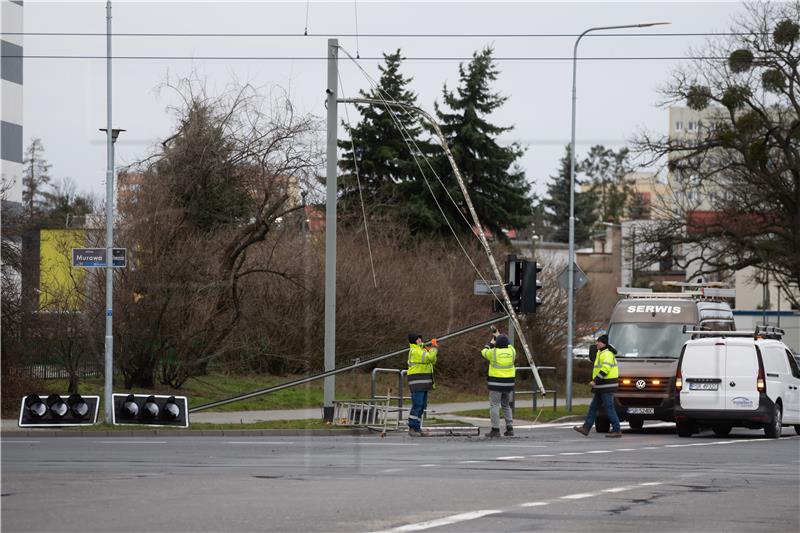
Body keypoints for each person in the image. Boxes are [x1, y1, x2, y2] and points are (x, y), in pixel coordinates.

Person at [574, 334, 622, 438]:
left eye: (598, 342)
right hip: (602, 386)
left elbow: (605, 369)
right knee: (593, 407)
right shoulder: (601, 353)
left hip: (606, 385)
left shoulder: (607, 354)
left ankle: (617, 429)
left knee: (609, 408)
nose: (596, 343)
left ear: (603, 343)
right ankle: (586, 428)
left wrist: (595, 381)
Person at [481, 329, 516, 438]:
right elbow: (509, 344)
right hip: (509, 384)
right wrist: (499, 335)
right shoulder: (512, 352)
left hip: (496, 384)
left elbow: (484, 351)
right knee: (506, 405)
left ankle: (495, 429)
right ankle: (510, 428)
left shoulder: (493, 352)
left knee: (495, 405)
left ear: (497, 344)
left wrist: (491, 343)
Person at [406, 333, 438, 437]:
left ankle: (417, 427)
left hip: (423, 381)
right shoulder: (415, 351)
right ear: (413, 341)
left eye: (420, 339)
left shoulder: (422, 349)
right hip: (417, 381)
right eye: (417, 339)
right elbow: (429, 358)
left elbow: (433, 360)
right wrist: (433, 348)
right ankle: (412, 427)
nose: (420, 340)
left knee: (422, 405)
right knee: (417, 404)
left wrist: (430, 350)